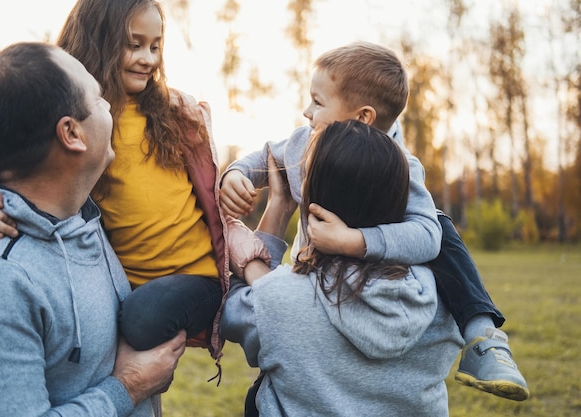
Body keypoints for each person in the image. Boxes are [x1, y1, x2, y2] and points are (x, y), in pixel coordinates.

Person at [220, 41, 529, 402]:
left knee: (440, 225)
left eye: (318, 102)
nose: (306, 112)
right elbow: (265, 158)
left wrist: (351, 240)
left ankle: (483, 334)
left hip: (348, 282)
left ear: (363, 117)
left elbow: (428, 236)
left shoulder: (402, 168)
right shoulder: (304, 142)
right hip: (312, 275)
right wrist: (236, 174)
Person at [0, 0, 269, 374]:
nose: (147, 58)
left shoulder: (172, 115)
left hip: (193, 275)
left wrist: (235, 180)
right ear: (97, 42)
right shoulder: (76, 117)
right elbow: (12, 143)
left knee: (140, 320)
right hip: (123, 280)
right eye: (133, 44)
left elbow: (210, 182)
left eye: (155, 47)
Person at [0, 41, 185, 416]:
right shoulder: (4, 280)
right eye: (98, 99)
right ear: (72, 134)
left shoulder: (83, 214)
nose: (110, 105)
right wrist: (130, 386)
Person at [221, 119, 464, 416]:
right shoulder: (443, 298)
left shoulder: (280, 299)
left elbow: (231, 307)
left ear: (314, 202)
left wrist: (278, 206)